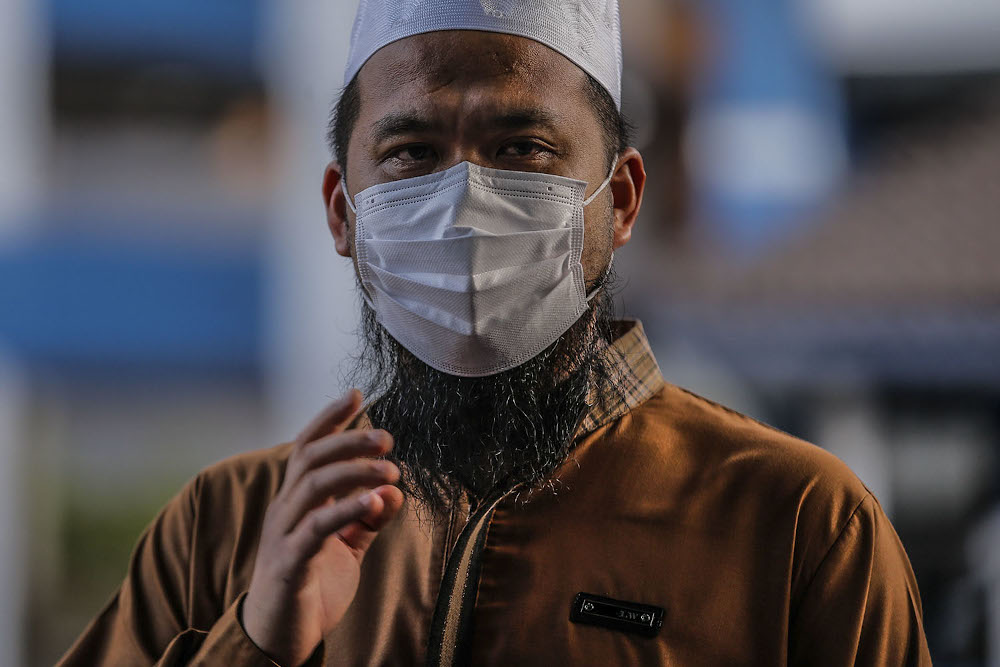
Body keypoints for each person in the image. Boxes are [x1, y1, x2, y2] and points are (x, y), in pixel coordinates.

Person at [58, 1, 932, 665]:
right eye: (411, 152)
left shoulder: (796, 526)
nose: (463, 206)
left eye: (522, 148)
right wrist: (257, 639)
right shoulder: (224, 528)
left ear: (622, 200)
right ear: (341, 211)